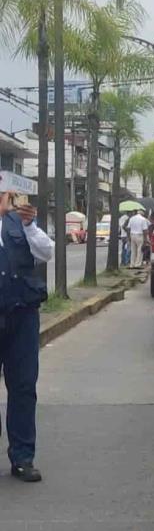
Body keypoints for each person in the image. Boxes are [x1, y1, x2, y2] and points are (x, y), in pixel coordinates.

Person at [0, 191, 54, 482]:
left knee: (23, 388)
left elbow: (45, 252)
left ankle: (22, 457)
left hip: (22, 316)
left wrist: (30, 226)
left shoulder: (18, 223)